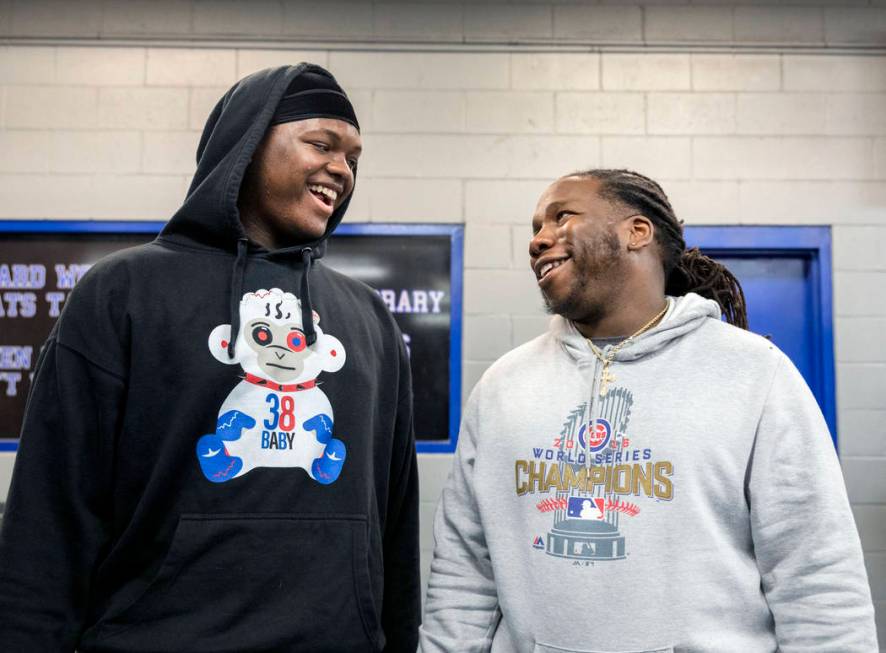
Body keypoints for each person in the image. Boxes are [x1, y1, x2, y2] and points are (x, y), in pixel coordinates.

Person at [0, 63, 420, 652]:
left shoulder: (367, 317)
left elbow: (395, 523)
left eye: (352, 157)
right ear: (245, 146)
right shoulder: (122, 292)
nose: (341, 170)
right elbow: (49, 518)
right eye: (321, 144)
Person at [419, 169, 877, 652]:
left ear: (637, 232)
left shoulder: (754, 373)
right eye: (535, 228)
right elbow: (464, 570)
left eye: (561, 217)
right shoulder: (503, 385)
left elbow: (816, 574)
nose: (538, 240)